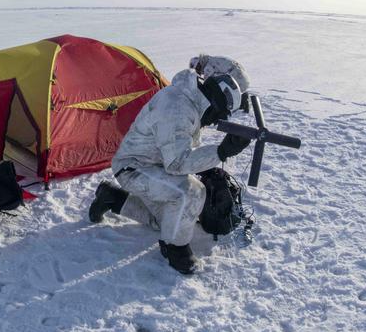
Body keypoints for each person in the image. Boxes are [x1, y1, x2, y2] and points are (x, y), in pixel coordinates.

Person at [89, 71, 250, 274]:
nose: (213, 121)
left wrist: (210, 161)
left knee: (168, 222)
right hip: (134, 168)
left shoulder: (189, 100)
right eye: (217, 115)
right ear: (214, 104)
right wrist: (220, 152)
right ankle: (176, 250)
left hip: (155, 165)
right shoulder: (177, 109)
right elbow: (176, 163)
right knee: (192, 193)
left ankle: (113, 198)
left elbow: (177, 151)